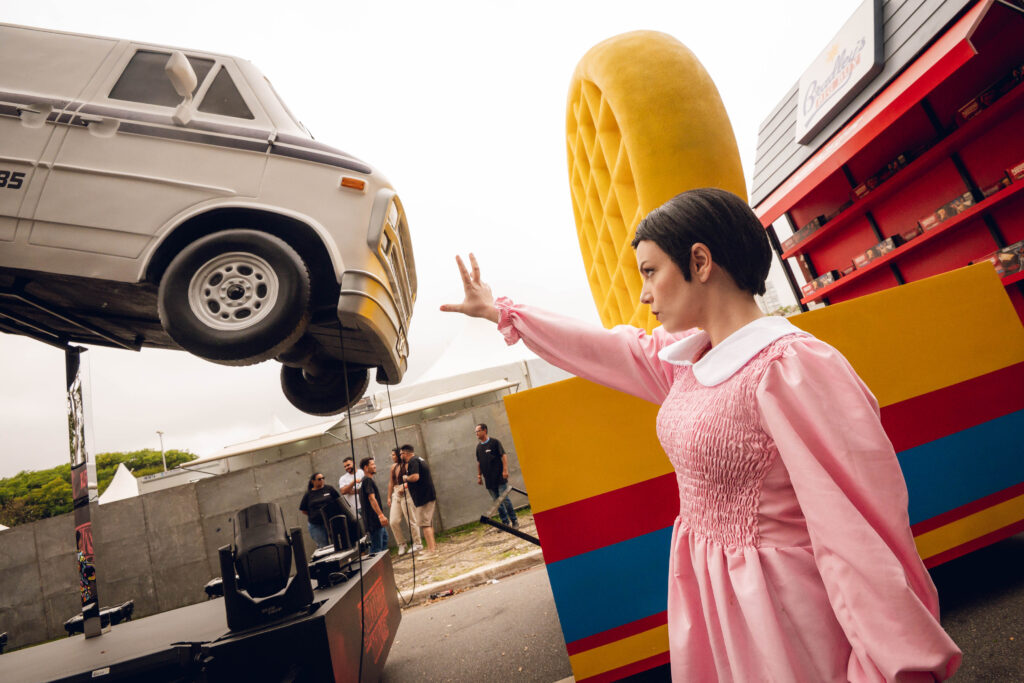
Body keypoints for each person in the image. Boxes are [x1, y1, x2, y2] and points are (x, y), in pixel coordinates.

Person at [440, 188, 961, 681]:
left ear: (701, 262)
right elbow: (605, 350)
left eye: (650, 272)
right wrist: (502, 313)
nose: (643, 295)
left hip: (786, 611)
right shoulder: (691, 360)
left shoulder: (791, 367)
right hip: (716, 601)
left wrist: (896, 661)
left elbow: (858, 529)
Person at [475, 423, 518, 528]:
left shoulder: (495, 442)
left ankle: (514, 521)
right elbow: (479, 462)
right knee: (497, 502)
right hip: (489, 479)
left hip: (499, 477)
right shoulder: (478, 447)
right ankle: (505, 523)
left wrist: (505, 470)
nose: (476, 433)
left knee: (505, 500)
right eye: (475, 432)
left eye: (478, 431)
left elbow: (503, 455)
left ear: (484, 430)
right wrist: (479, 476)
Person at [400, 444, 438, 554]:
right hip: (427, 495)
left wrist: (406, 478)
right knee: (428, 523)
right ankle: (433, 547)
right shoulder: (419, 459)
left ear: (406, 453)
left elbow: (415, 477)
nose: (400, 456)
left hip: (423, 498)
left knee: (424, 524)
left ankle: (431, 551)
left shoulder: (413, 461)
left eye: (401, 453)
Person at [387, 447, 421, 555]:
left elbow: (414, 477)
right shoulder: (393, 467)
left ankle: (417, 543)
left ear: (399, 455)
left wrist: (405, 486)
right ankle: (401, 543)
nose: (392, 457)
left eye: (393, 455)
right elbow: (391, 482)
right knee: (393, 521)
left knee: (411, 519)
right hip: (396, 493)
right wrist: (389, 497)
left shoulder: (407, 464)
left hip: (406, 492)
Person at [299, 472, 340, 548]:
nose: (322, 480)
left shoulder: (329, 489)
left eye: (323, 478)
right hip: (316, 525)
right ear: (313, 481)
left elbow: (338, 501)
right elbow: (304, 510)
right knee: (323, 546)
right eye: (319, 479)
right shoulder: (309, 494)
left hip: (331, 522)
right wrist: (316, 515)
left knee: (337, 544)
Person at [358, 457, 389, 554]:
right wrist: (380, 515)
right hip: (374, 520)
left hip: (375, 519)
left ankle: (383, 567)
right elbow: (371, 498)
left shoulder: (366, 480)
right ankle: (377, 568)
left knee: (384, 540)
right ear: (366, 468)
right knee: (376, 548)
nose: (375, 466)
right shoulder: (367, 480)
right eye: (372, 464)